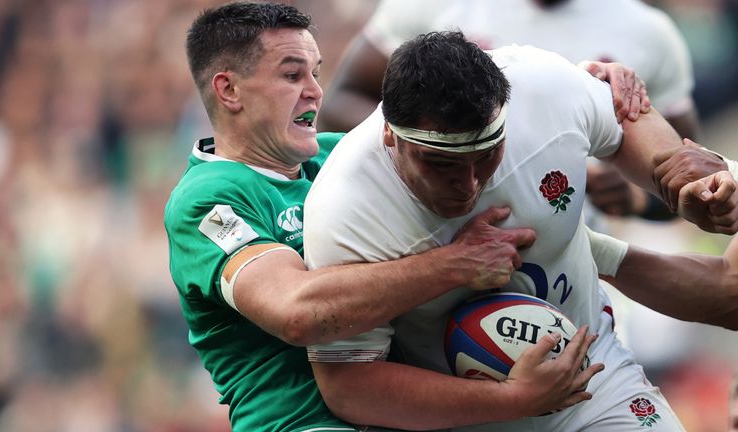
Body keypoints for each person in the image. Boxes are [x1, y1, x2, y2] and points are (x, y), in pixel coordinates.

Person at [165, 3, 644, 431]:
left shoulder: (338, 159)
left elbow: (452, 131)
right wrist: (456, 264)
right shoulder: (208, 201)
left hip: (405, 411)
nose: (315, 91)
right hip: (304, 422)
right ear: (228, 90)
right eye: (292, 76)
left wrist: (585, 88)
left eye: (316, 72)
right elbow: (297, 311)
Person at [302, 31, 736, 431]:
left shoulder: (541, 89)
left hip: (596, 380)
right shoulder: (345, 211)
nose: (469, 184)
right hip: (462, 420)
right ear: (390, 137)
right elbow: (348, 385)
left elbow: (630, 120)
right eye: (442, 164)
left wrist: (681, 182)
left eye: (488, 155)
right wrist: (511, 400)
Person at [318, 0, 697, 221]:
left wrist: (635, 198)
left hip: (572, 265)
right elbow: (340, 103)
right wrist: (441, 151)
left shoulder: (649, 32)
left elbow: (684, 176)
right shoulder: (430, 4)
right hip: (429, 237)